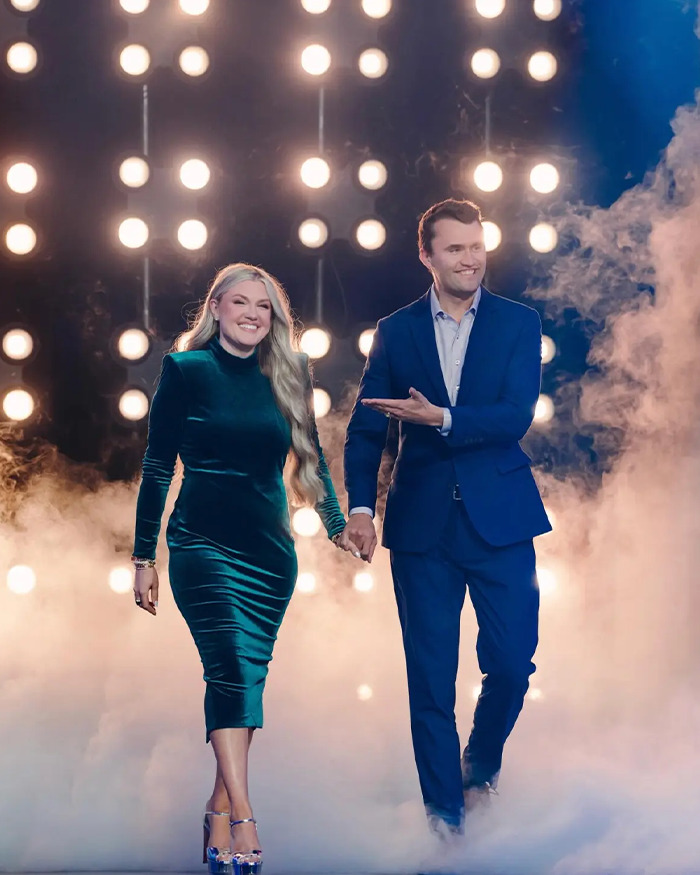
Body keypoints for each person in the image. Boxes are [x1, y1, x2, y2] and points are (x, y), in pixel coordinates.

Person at [132, 263, 358, 875]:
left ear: (274, 316)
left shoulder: (288, 370)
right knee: (229, 665)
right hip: (202, 544)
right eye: (241, 302)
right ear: (218, 308)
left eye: (264, 305)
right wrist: (144, 556)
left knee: (242, 683)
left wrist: (338, 527)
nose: (253, 313)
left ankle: (215, 806)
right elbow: (157, 468)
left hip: (269, 555)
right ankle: (245, 817)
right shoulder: (186, 371)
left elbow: (310, 459)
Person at [343, 199, 551, 837]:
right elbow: (365, 430)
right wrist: (359, 508)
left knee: (513, 663)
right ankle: (445, 823)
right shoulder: (397, 330)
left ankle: (479, 764)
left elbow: (516, 415)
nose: (471, 258)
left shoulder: (519, 323)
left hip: (502, 522)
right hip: (421, 529)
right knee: (430, 680)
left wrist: (443, 418)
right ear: (427, 256)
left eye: (477, 245)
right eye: (455, 248)